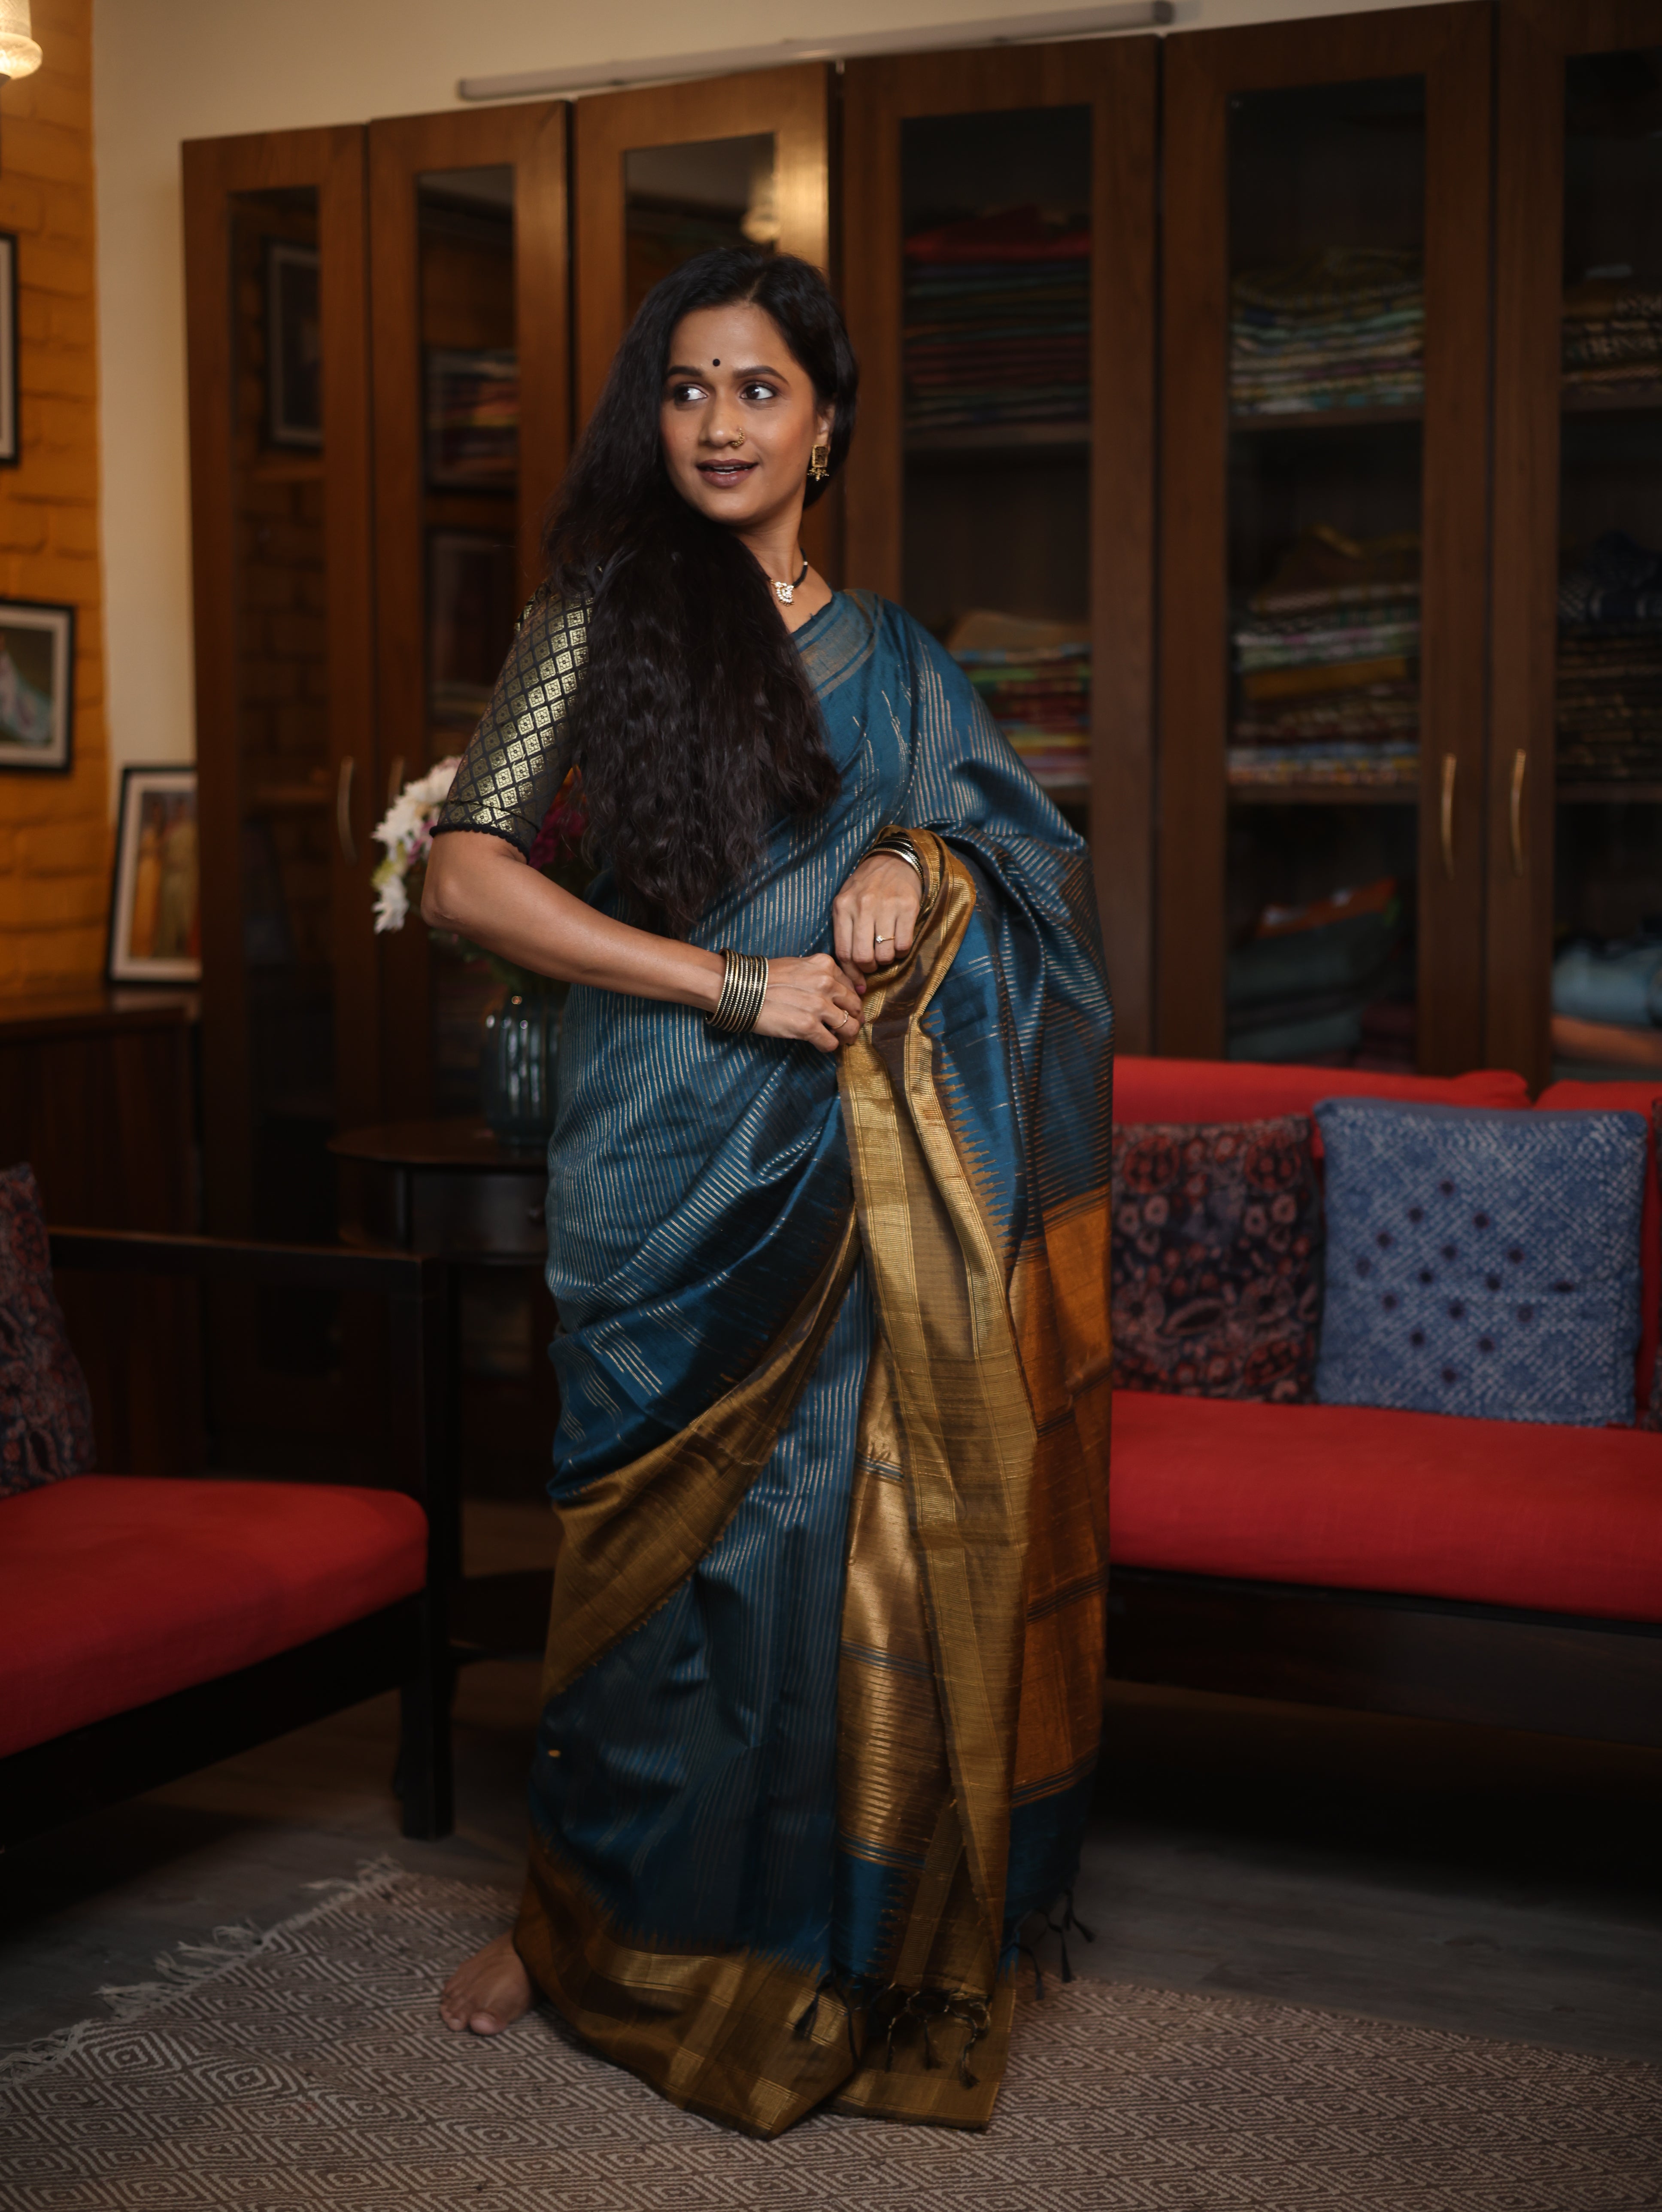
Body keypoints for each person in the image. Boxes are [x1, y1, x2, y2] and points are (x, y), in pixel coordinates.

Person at [426, 246, 1113, 2139]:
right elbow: (464, 876)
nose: (717, 424)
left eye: (757, 389)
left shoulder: (897, 656)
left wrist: (916, 860)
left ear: (825, 427)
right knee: (632, 1577)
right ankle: (571, 1918)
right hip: (656, 1149)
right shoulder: (594, 617)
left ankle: (811, 1924)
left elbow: (1030, 866)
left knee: (814, 1571)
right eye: (685, 389)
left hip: (846, 1161)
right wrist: (731, 982)